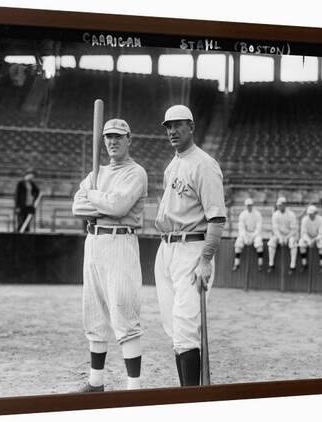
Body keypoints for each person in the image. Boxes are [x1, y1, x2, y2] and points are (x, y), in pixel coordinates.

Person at [72, 118, 148, 392]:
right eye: (108, 137)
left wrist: (94, 196)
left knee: (123, 311)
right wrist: (99, 200)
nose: (112, 141)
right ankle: (96, 382)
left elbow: (118, 206)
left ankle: (133, 387)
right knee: (93, 312)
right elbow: (76, 207)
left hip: (120, 242)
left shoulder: (135, 172)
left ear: (129, 139)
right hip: (94, 241)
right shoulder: (97, 172)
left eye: (118, 136)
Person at [154, 105, 226, 386]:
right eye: (168, 126)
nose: (172, 131)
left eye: (178, 125)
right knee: (174, 329)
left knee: (185, 329)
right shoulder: (173, 164)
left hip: (192, 249)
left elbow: (217, 219)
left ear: (191, 127)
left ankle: (191, 398)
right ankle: (187, 393)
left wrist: (206, 259)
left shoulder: (204, 164)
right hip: (167, 249)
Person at [268, 197, 298, 275]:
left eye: (280, 205)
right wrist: (280, 237)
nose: (279, 206)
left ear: (284, 205)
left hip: (290, 235)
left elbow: (294, 229)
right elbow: (275, 229)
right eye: (278, 205)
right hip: (279, 236)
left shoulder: (291, 214)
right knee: (271, 242)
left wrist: (286, 237)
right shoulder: (275, 215)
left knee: (292, 242)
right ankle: (271, 265)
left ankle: (292, 266)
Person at [232, 197, 264, 271]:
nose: (249, 207)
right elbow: (241, 228)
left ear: (252, 205)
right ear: (245, 206)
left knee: (259, 242)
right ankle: (237, 264)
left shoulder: (258, 214)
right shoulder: (242, 214)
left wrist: (252, 237)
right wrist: (245, 238)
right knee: (239, 242)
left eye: (250, 205)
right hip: (245, 234)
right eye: (247, 205)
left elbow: (259, 228)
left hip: (255, 234)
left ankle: (260, 264)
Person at [298, 205, 322, 273]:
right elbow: (303, 233)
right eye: (309, 214)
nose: (310, 215)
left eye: (312, 214)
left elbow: (321, 233)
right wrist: (308, 240)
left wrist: (314, 240)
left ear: (315, 213)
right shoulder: (304, 220)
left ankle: (321, 265)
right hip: (308, 237)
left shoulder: (321, 219)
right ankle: (304, 264)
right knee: (301, 243)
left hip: (317, 237)